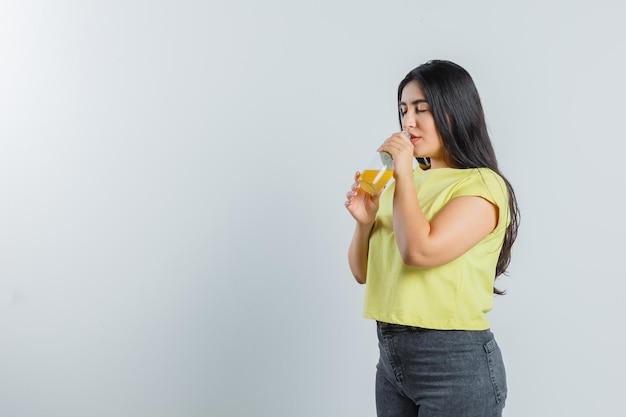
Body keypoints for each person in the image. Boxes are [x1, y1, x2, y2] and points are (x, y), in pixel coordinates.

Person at [344, 59, 520, 417]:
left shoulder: (481, 184)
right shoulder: (401, 186)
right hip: (392, 360)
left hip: (453, 364)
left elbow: (419, 252)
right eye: (404, 110)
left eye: (421, 110)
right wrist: (364, 224)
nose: (408, 122)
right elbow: (363, 273)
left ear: (453, 112)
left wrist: (403, 174)